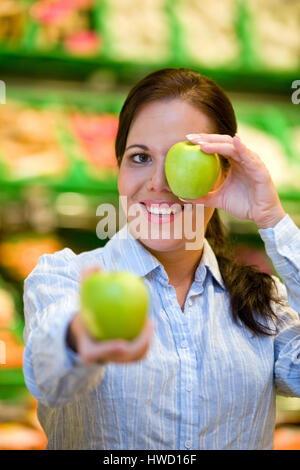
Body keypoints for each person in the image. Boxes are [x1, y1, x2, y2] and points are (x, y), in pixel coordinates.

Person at [23, 68, 300, 450]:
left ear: (222, 174)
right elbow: (48, 373)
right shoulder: (65, 279)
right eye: (140, 158)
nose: (157, 183)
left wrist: (274, 221)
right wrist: (80, 338)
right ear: (119, 169)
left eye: (179, 160)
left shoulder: (264, 302)